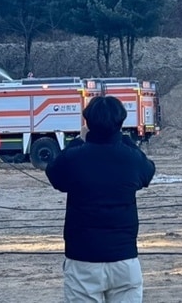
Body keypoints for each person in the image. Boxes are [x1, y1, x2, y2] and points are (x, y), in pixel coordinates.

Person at [45, 96, 156, 303]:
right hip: (124, 258)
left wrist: (79, 140)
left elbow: (54, 173)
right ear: (121, 123)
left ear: (87, 123)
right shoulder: (131, 159)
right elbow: (148, 171)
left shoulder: (75, 157)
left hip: (82, 259)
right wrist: (123, 139)